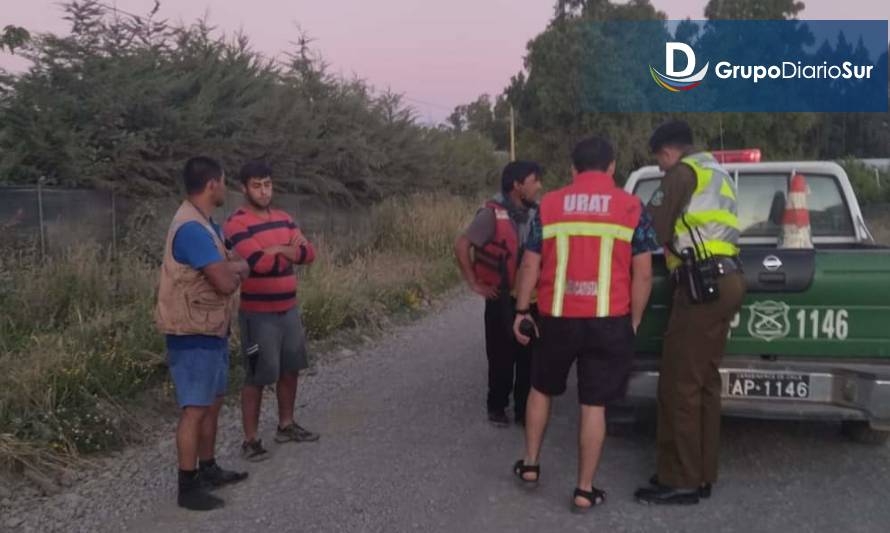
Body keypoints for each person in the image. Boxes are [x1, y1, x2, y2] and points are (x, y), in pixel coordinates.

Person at [511, 137, 658, 512]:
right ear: (612, 168)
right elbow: (643, 274)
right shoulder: (631, 206)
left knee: (541, 389)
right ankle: (584, 489)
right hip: (609, 320)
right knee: (594, 405)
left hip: (558, 317)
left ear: (573, 169)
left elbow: (530, 263)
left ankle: (530, 465)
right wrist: (634, 321)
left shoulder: (551, 205)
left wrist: (522, 311)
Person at [634, 120, 746, 505]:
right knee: (704, 382)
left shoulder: (682, 173)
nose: (662, 170)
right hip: (727, 280)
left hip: (700, 286)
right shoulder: (718, 172)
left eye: (660, 163)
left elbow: (647, 228)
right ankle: (701, 473)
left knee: (679, 383)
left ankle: (679, 478)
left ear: (668, 152)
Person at [155, 156, 250, 511]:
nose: (226, 188)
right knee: (195, 409)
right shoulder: (192, 229)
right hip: (192, 331)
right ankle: (187, 485)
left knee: (212, 402)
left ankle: (208, 468)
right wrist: (235, 268)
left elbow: (240, 264)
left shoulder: (208, 224)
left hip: (212, 328)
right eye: (224, 182)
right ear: (212, 184)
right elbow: (227, 280)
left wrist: (234, 266)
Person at [223, 160, 320, 463]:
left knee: (290, 369)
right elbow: (258, 264)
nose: (264, 191)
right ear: (244, 188)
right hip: (257, 314)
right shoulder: (236, 223)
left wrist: (277, 250)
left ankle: (286, 425)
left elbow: (310, 254)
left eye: (267, 184)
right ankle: (250, 440)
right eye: (256, 185)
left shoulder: (284, 218)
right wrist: (289, 250)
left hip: (288, 308)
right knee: (256, 376)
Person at [454, 161, 543, 426]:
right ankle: (497, 408)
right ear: (517, 186)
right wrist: (474, 283)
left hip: (532, 298)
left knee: (529, 358)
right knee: (501, 356)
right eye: (534, 180)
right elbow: (462, 245)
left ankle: (523, 411)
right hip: (501, 298)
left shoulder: (538, 213)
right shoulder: (491, 215)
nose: (539, 185)